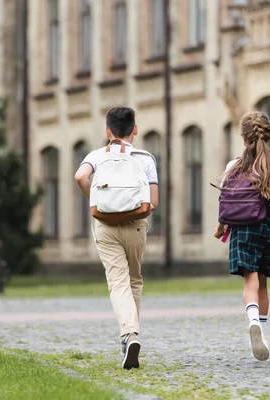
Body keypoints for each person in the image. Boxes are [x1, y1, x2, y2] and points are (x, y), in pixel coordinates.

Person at [74, 106, 159, 370]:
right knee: (134, 281)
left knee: (118, 283)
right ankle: (130, 336)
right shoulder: (145, 158)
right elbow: (153, 202)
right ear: (135, 129)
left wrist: (97, 200)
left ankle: (129, 335)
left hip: (105, 226)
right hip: (135, 226)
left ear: (107, 131)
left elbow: (80, 177)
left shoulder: (96, 156)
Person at [213, 111, 270, 361]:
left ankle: (252, 320)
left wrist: (220, 228)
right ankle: (263, 331)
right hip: (267, 225)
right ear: (268, 135)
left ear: (242, 137)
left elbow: (227, 200)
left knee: (250, 281)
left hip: (240, 227)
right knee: (263, 282)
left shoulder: (234, 165)